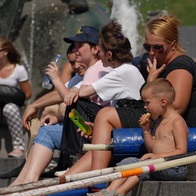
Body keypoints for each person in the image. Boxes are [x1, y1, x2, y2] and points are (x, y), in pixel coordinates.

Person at [62, 12, 196, 175]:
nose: (152, 52)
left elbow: (176, 107)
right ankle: (69, 180)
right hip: (160, 124)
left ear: (173, 44)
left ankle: (95, 179)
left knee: (106, 114)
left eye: (158, 47)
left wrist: (151, 82)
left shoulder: (180, 65)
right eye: (148, 47)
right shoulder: (162, 64)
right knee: (102, 123)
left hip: (179, 128)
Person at [61, 18, 145, 175]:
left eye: (100, 51)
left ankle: (83, 161)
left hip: (136, 117)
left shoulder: (122, 72)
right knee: (87, 108)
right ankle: (76, 169)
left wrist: (70, 89)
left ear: (109, 54)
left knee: (79, 103)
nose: (98, 55)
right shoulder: (124, 69)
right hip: (129, 115)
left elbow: (85, 92)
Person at [85, 78, 188, 196]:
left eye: (147, 103)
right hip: (156, 164)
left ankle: (120, 193)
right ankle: (108, 191)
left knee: (142, 166)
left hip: (174, 167)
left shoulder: (177, 122)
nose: (145, 107)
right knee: (128, 162)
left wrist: (157, 156)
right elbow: (152, 149)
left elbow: (182, 150)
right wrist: (146, 131)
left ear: (163, 102)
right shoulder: (160, 122)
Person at [9, 43, 88, 185]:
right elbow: (65, 92)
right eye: (72, 62)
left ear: (95, 50)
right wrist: (36, 106)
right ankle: (26, 171)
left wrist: (55, 79)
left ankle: (29, 179)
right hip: (83, 126)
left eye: (77, 58)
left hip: (90, 131)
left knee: (53, 122)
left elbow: (67, 95)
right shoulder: (83, 74)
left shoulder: (99, 71)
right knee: (49, 114)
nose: (75, 65)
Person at [0, 36, 32, 158]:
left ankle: (19, 147)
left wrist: (9, 95)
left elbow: (28, 94)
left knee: (9, 107)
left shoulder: (18, 70)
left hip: (12, 112)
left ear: (5, 52)